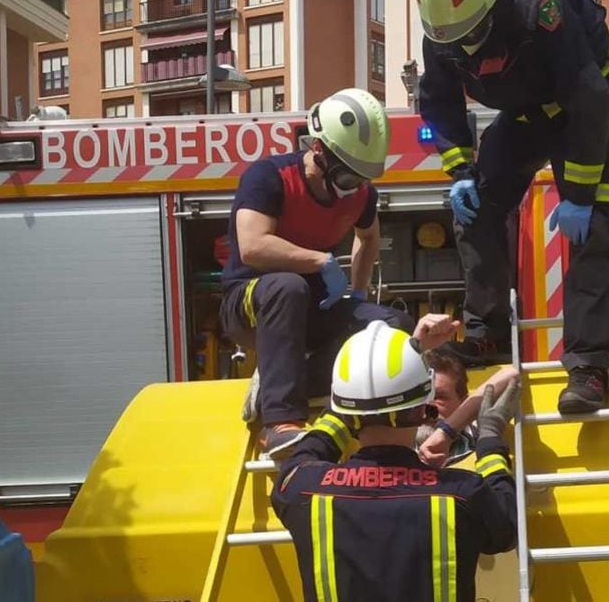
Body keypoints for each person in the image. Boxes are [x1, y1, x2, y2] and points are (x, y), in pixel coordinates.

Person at [410, 0, 609, 414]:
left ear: (495, 1)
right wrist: (460, 171)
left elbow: (588, 97)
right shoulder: (444, 28)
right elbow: (440, 103)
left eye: (473, 33)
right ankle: (486, 334)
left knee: (590, 228)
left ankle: (588, 368)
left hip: (586, 101)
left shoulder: (539, 5)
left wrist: (581, 195)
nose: (465, 46)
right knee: (477, 207)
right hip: (527, 110)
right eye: (453, 39)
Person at [219, 88, 414, 459]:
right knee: (288, 288)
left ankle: (294, 383)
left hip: (311, 304)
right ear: (320, 151)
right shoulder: (269, 177)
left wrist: (358, 293)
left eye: (361, 178)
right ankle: (279, 423)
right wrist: (320, 262)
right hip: (251, 300)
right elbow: (253, 246)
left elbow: (368, 237)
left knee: (389, 324)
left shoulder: (361, 196)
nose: (353, 187)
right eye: (347, 177)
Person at [272, 316, 520, 602]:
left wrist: (369, 387)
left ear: (345, 409)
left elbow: (313, 447)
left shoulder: (300, 488)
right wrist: (489, 438)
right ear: (421, 408)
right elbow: (506, 527)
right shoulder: (462, 494)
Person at [417, 350, 520, 467]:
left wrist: (446, 432)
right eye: (420, 397)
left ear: (463, 402)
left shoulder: (480, 434)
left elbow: (512, 376)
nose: (427, 406)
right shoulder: (395, 439)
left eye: (439, 397)